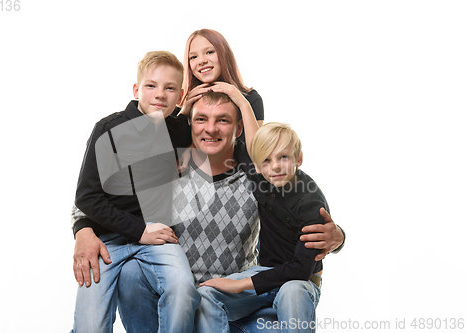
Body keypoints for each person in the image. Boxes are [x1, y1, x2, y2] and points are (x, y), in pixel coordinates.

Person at [72, 90, 346, 332]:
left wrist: (338, 237)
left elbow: (301, 203)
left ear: (238, 129)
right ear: (189, 124)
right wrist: (83, 228)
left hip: (235, 304)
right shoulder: (168, 168)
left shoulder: (259, 176)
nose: (211, 129)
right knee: (131, 272)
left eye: (222, 120)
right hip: (173, 307)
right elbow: (99, 193)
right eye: (201, 119)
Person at [70, 51, 200, 333]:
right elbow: (87, 196)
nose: (160, 95)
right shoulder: (109, 128)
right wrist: (133, 229)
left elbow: (224, 137)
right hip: (108, 240)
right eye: (151, 86)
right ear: (136, 89)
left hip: (158, 236)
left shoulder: (179, 130)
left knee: (183, 289)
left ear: (179, 98)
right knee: (90, 326)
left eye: (170, 88)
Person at [196, 122, 328, 333]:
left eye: (283, 157)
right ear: (256, 166)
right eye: (266, 160)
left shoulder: (310, 201)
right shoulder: (262, 179)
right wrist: (239, 100)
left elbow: (301, 270)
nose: (275, 166)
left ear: (299, 159)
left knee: (293, 292)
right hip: (266, 273)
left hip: (299, 282)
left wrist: (240, 284)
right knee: (205, 295)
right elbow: (236, 141)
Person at [174, 28, 264, 142]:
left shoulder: (250, 99)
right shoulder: (181, 102)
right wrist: (184, 112)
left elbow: (259, 154)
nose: (201, 61)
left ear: (224, 54)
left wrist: (243, 104)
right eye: (193, 57)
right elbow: (166, 153)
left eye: (209, 52)